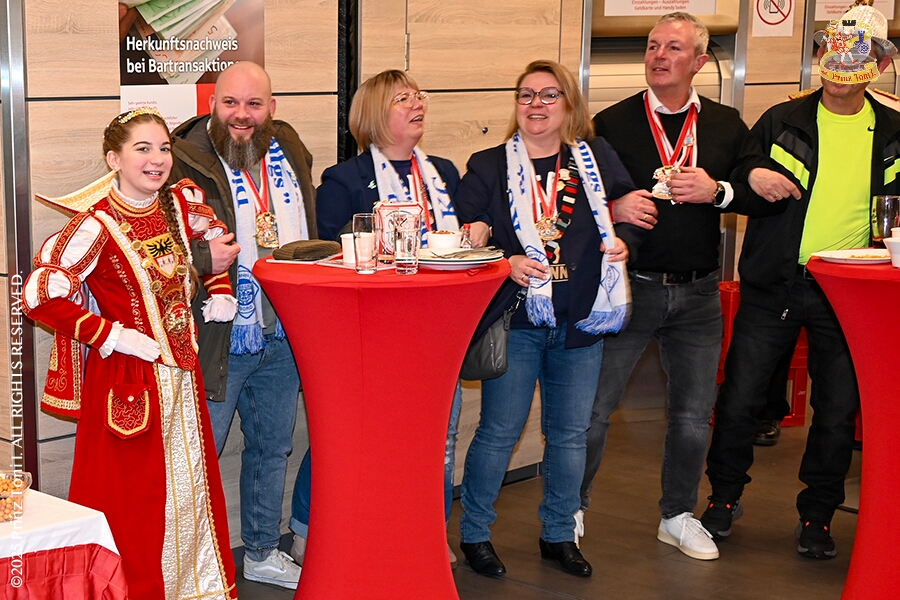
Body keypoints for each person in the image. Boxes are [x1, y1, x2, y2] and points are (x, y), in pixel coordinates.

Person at [579, 12, 781, 562]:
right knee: (593, 412)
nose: (659, 56)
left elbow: (750, 190)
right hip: (629, 290)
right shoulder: (612, 122)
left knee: (693, 418)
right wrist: (613, 205)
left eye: (673, 47)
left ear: (699, 61)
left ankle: (677, 515)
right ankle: (568, 508)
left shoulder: (726, 124)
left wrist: (718, 191)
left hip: (699, 294)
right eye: (652, 46)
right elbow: (575, 193)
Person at [702, 0, 900, 559]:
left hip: (851, 290)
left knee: (836, 410)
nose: (839, 73)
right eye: (831, 57)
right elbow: (741, 171)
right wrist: (754, 176)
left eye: (855, 62)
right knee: (740, 398)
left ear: (881, 66)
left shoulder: (893, 131)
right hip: (775, 284)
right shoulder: (781, 119)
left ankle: (818, 515)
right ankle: (722, 498)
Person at [24, 107, 238, 599]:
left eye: (163, 148)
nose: (157, 159)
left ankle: (191, 589)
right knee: (134, 500)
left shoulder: (177, 205)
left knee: (189, 491)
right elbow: (39, 295)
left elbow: (212, 244)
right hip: (128, 379)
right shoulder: (96, 225)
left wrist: (219, 286)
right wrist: (109, 335)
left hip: (181, 378)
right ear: (113, 159)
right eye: (142, 149)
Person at [454, 59, 642, 578]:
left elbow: (631, 212)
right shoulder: (488, 164)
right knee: (499, 432)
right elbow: (467, 234)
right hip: (516, 321)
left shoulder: (596, 158)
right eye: (526, 95)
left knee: (570, 435)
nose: (536, 104)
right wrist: (503, 260)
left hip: (580, 319)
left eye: (549, 95)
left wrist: (625, 243)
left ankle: (559, 533)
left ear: (569, 104)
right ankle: (475, 534)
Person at [299, 68, 464, 567]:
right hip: (368, 337)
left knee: (438, 438)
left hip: (439, 331)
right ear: (373, 114)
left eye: (419, 96)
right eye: (402, 99)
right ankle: (309, 529)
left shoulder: (444, 173)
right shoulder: (343, 181)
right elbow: (329, 259)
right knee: (345, 436)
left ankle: (428, 532)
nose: (417, 105)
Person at [170, 61, 317, 589]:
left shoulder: (289, 148)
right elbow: (157, 245)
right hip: (219, 334)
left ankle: (260, 552)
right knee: (200, 456)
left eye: (254, 105)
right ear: (213, 104)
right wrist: (199, 259)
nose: (242, 115)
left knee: (273, 448)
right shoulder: (181, 159)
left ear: (271, 109)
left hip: (283, 330)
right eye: (231, 102)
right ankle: (188, 565)